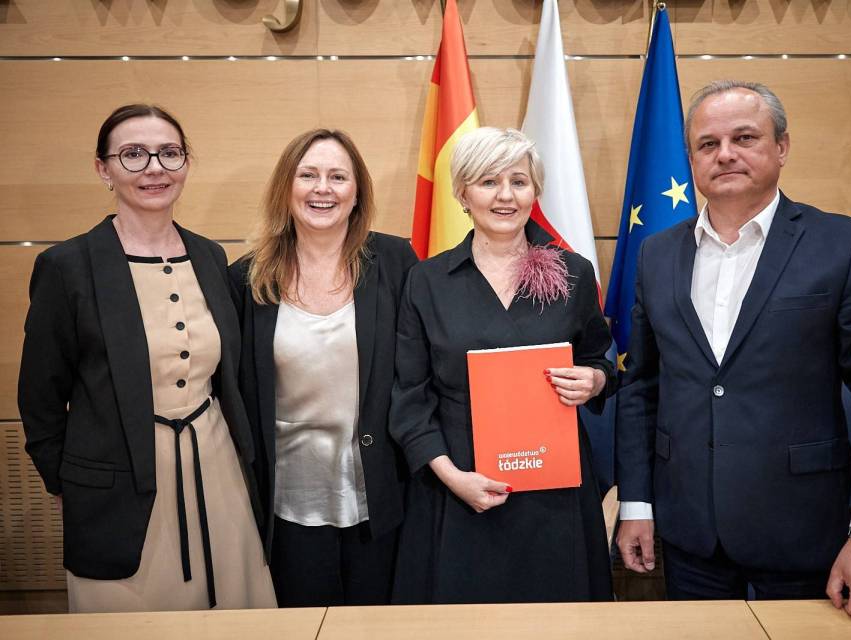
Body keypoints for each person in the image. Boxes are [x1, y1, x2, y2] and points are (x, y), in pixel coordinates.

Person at [615, 81, 851, 621]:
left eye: (744, 138)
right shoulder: (656, 255)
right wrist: (636, 503)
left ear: (781, 147)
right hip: (691, 535)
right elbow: (642, 385)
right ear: (692, 160)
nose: (725, 154)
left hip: (808, 532)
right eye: (708, 144)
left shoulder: (842, 245)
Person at [18, 104, 276, 612]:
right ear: (103, 169)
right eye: (133, 154)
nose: (154, 168)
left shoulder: (210, 256)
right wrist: (67, 482)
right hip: (116, 486)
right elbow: (39, 397)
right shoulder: (67, 266)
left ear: (186, 163)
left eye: (169, 153)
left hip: (218, 471)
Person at [389, 127, 615, 604]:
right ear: (462, 193)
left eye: (519, 181)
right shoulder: (426, 281)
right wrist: (453, 477)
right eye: (489, 182)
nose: (506, 196)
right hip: (458, 486)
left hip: (554, 490)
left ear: (535, 191)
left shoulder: (573, 272)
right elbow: (410, 397)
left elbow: (600, 359)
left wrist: (594, 380)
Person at [229, 129, 417, 607]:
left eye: (338, 177)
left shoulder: (395, 262)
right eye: (308, 175)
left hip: (381, 495)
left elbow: (424, 368)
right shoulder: (245, 278)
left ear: (357, 193)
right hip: (286, 501)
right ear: (286, 188)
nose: (322, 188)